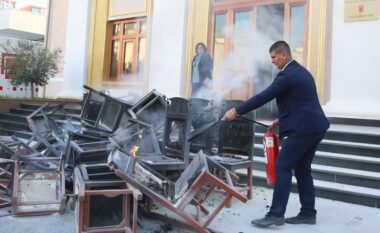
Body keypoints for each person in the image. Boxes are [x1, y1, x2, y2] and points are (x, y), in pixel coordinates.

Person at [222, 41, 330, 227]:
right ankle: (308, 213)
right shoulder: (301, 71)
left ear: (284, 55)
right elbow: (302, 102)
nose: (272, 62)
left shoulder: (287, 75)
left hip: (304, 129)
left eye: (274, 57)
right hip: (315, 126)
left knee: (283, 165)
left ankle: (276, 215)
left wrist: (236, 111)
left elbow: (262, 97)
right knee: (302, 168)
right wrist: (282, 120)